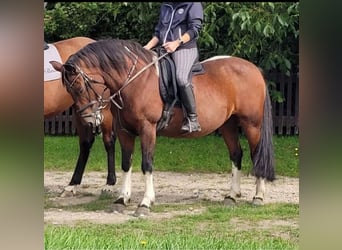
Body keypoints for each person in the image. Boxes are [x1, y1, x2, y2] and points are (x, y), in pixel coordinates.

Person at [143, 2, 203, 133]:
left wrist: (177, 43)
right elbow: (158, 32)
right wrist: (146, 48)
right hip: (164, 49)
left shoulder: (193, 4)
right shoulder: (166, 5)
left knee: (181, 77)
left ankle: (193, 119)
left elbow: (194, 29)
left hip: (184, 48)